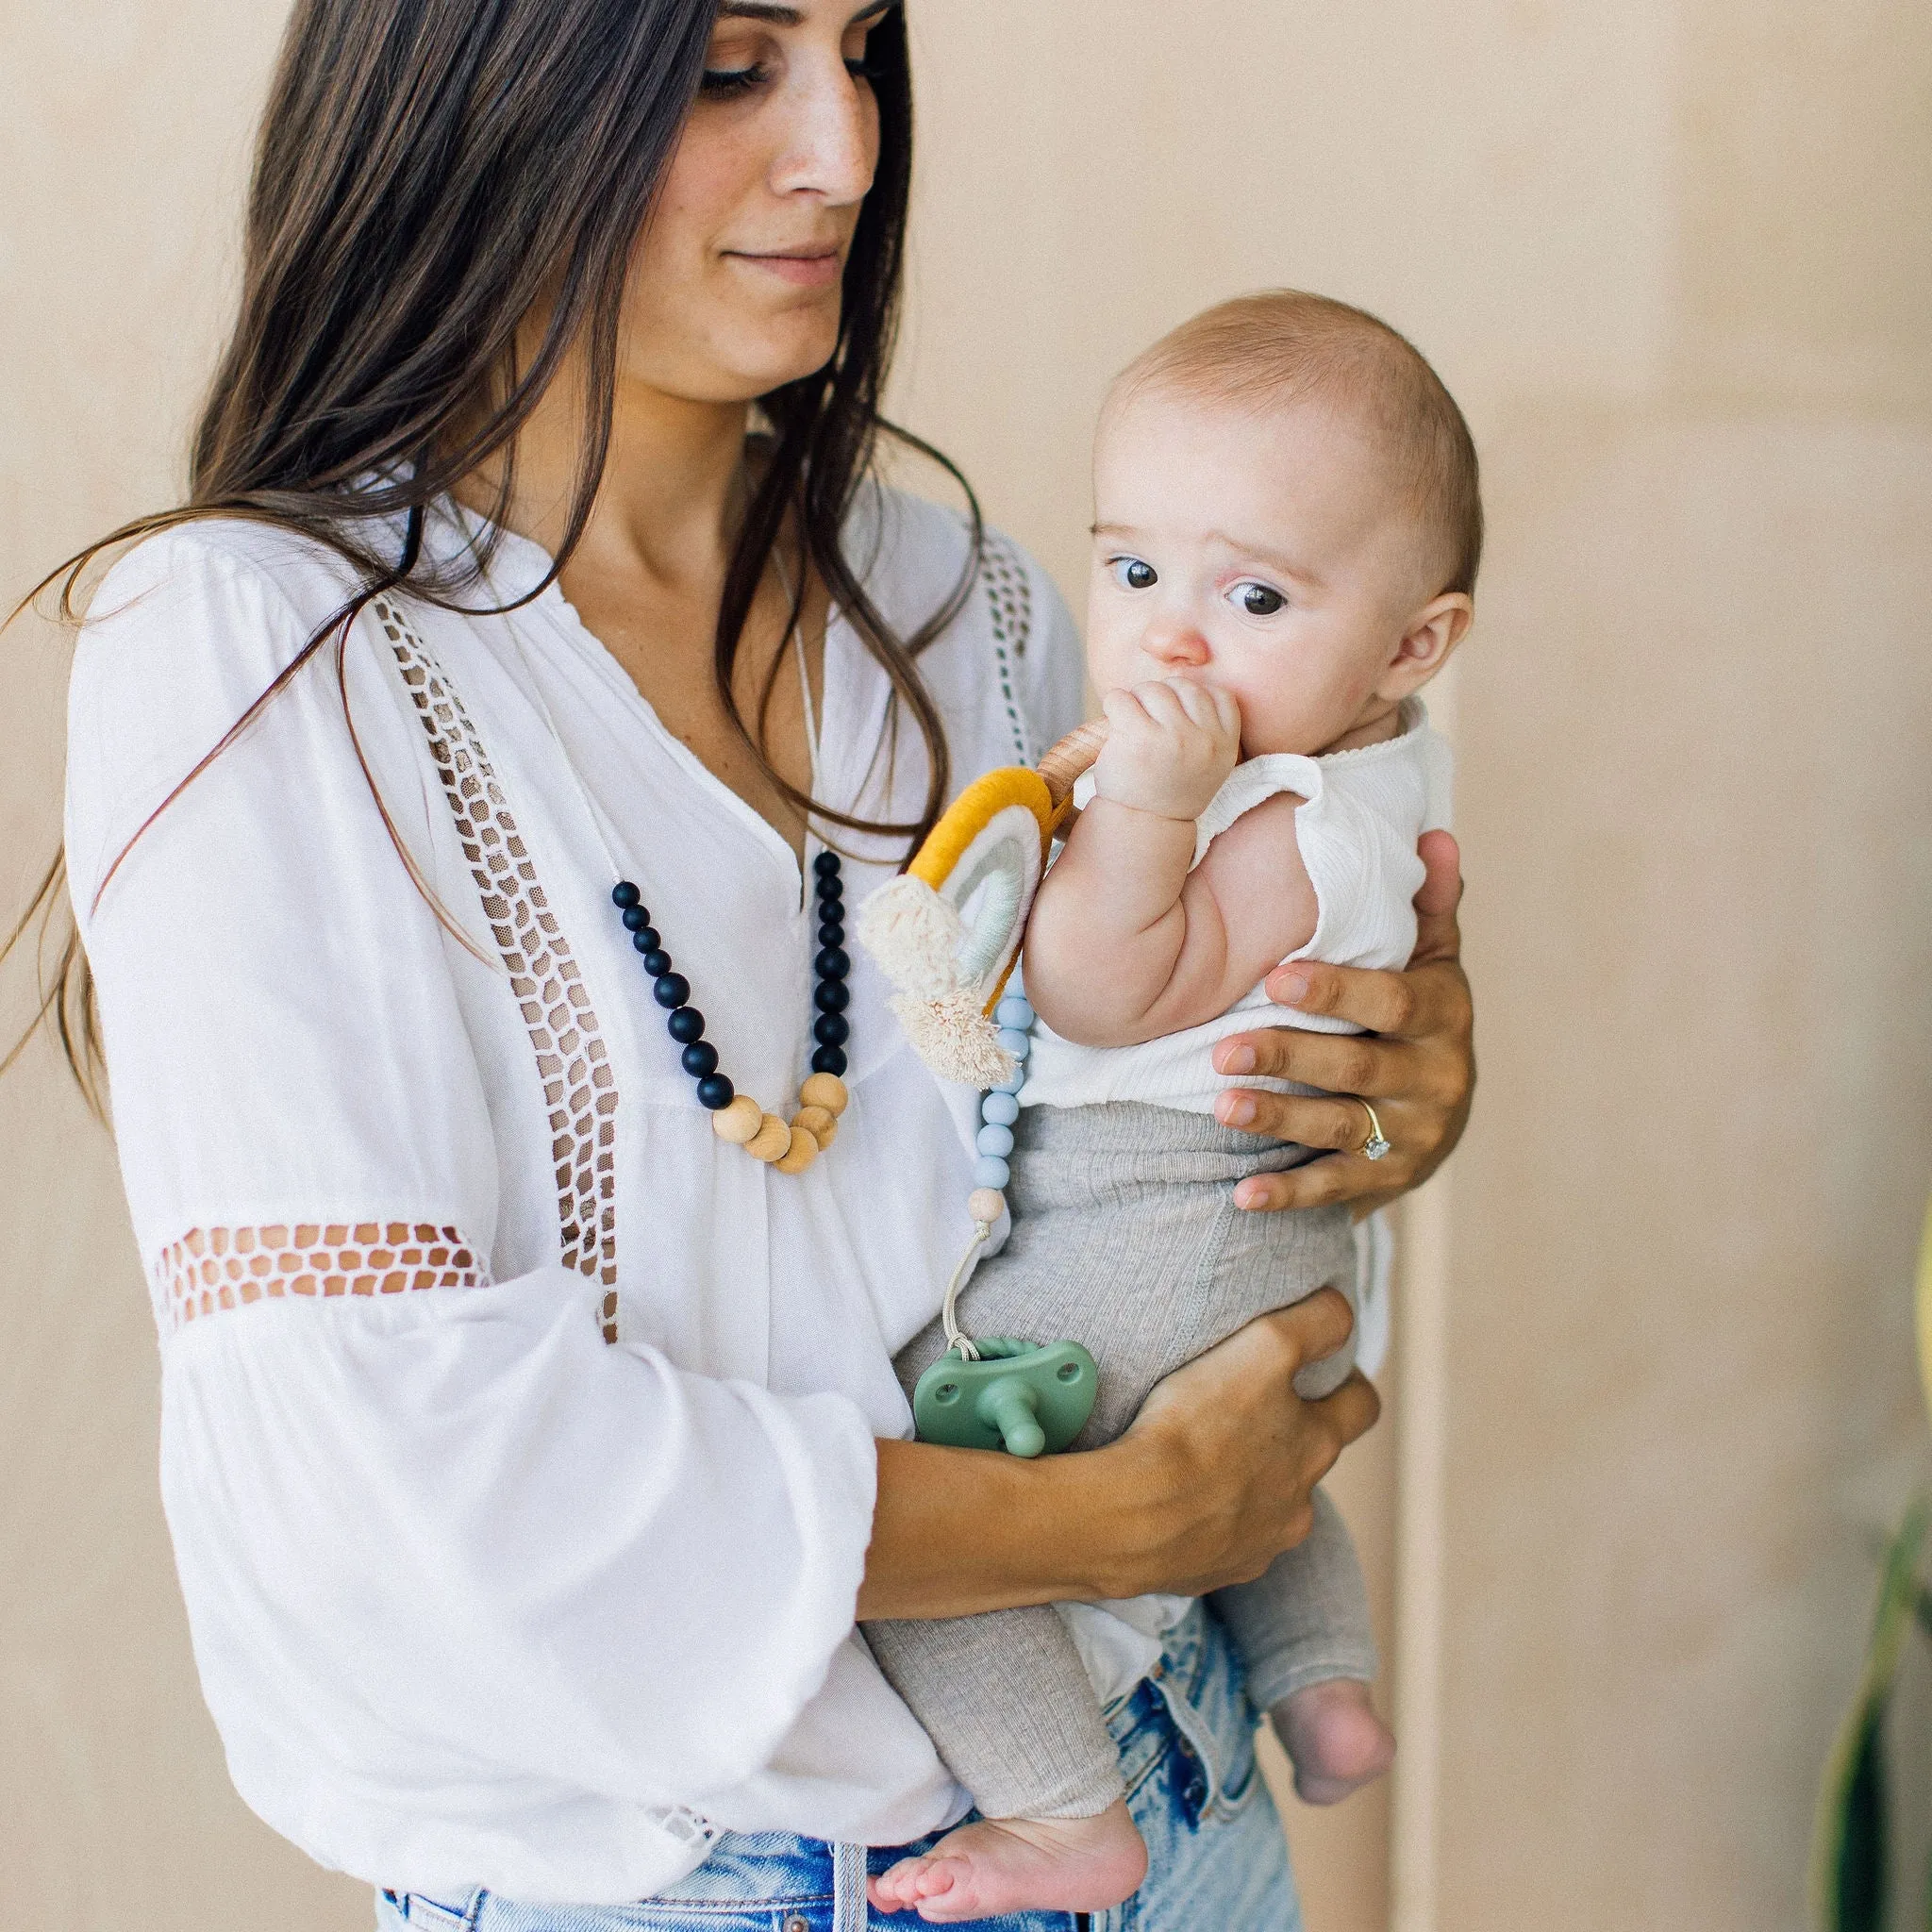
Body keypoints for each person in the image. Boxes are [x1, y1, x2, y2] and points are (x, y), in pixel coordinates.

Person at [17, 4, 1474, 1926]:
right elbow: (389, 1477)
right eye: (731, 67)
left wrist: (1391, 1082)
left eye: (861, 50)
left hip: (1181, 1798)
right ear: (482, 82)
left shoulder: (991, 609)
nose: (846, 152)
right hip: (689, 1883)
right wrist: (1103, 1517)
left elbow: (1152, 1107)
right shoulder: (256, 648)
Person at [864, 291, 1477, 1922]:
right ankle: (1325, 1689)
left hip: (1158, 1228)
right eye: (1132, 571)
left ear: (1415, 643)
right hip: (1275, 1257)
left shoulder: (1280, 817)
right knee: (1255, 1475)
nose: (1169, 637)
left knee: (929, 1502)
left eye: (1255, 593)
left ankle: (1065, 1812)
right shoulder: (1354, 772)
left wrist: (1137, 814)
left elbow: (1104, 987)